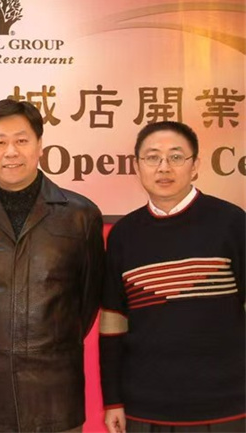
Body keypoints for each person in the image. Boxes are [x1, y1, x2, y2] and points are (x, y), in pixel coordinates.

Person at [0, 99, 105, 432]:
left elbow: (87, 302)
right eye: (0, 142)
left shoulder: (80, 216)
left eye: (21, 140)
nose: (11, 151)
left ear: (40, 145)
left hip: (55, 393)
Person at [99, 121, 245, 433]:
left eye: (176, 157)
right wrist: (113, 400)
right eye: (152, 157)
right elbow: (113, 323)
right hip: (146, 409)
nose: (163, 167)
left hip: (227, 406)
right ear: (137, 166)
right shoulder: (123, 235)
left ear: (195, 165)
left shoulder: (232, 223)